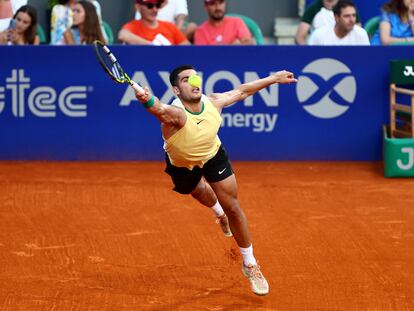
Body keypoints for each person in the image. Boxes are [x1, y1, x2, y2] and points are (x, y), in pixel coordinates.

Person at [133, 64, 297, 295]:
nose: (193, 82)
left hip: (212, 155)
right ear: (176, 90)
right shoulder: (177, 114)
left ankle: (250, 264)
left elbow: (242, 91)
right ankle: (218, 213)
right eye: (185, 80)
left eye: (194, 77)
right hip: (182, 163)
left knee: (234, 206)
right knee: (198, 191)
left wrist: (274, 78)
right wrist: (147, 100)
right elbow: (159, 110)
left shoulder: (213, 103)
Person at [118, 0, 189, 45]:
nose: (154, 9)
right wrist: (152, 45)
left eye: (157, 5)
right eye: (150, 6)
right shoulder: (133, 25)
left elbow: (187, 48)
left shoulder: (170, 26)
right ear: (138, 7)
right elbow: (122, 35)